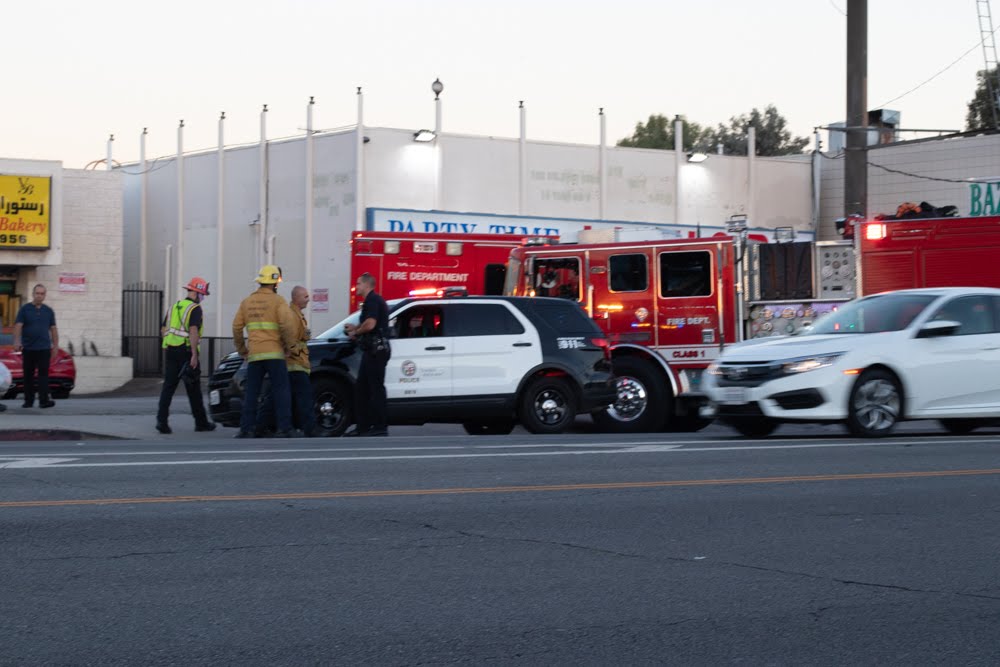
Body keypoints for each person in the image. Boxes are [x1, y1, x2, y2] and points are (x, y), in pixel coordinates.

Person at [232, 265, 297, 438]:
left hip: (254, 355)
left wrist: (242, 350)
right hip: (275, 354)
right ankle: (284, 428)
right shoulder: (278, 301)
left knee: (252, 392)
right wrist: (290, 347)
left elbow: (236, 327)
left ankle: (246, 428)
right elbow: (287, 326)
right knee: (281, 390)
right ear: (275, 283)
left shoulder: (247, 302)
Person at [156, 277, 216, 434]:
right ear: (196, 292)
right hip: (186, 352)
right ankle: (201, 423)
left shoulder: (174, 307)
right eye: (202, 295)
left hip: (171, 351)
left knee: (168, 388)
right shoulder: (194, 309)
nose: (202, 298)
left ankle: (161, 421)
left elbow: (163, 330)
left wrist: (169, 343)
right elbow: (193, 330)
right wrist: (194, 355)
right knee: (194, 389)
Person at [256, 285, 317, 437]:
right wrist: (297, 352)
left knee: (275, 397)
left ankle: (260, 427)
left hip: (291, 365)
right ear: (296, 298)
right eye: (305, 296)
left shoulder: (296, 315)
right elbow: (289, 340)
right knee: (304, 397)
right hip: (295, 365)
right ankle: (310, 429)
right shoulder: (292, 316)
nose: (308, 299)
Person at [344, 272, 390, 437]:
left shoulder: (372, 301)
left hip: (375, 351)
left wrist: (355, 332)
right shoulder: (372, 301)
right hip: (372, 350)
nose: (356, 286)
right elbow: (370, 324)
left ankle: (379, 427)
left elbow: (370, 324)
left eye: (358, 283)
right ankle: (363, 427)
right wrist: (355, 328)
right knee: (362, 389)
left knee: (374, 389)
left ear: (366, 285)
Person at [13, 284, 59, 409]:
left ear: (45, 295)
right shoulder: (25, 309)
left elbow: (53, 329)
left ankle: (44, 401)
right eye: (37, 293)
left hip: (44, 349)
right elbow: (18, 325)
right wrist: (17, 341)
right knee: (28, 376)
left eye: (42, 293)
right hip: (28, 348)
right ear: (33, 294)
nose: (39, 296)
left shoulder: (48, 311)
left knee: (43, 376)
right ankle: (28, 401)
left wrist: (55, 346)